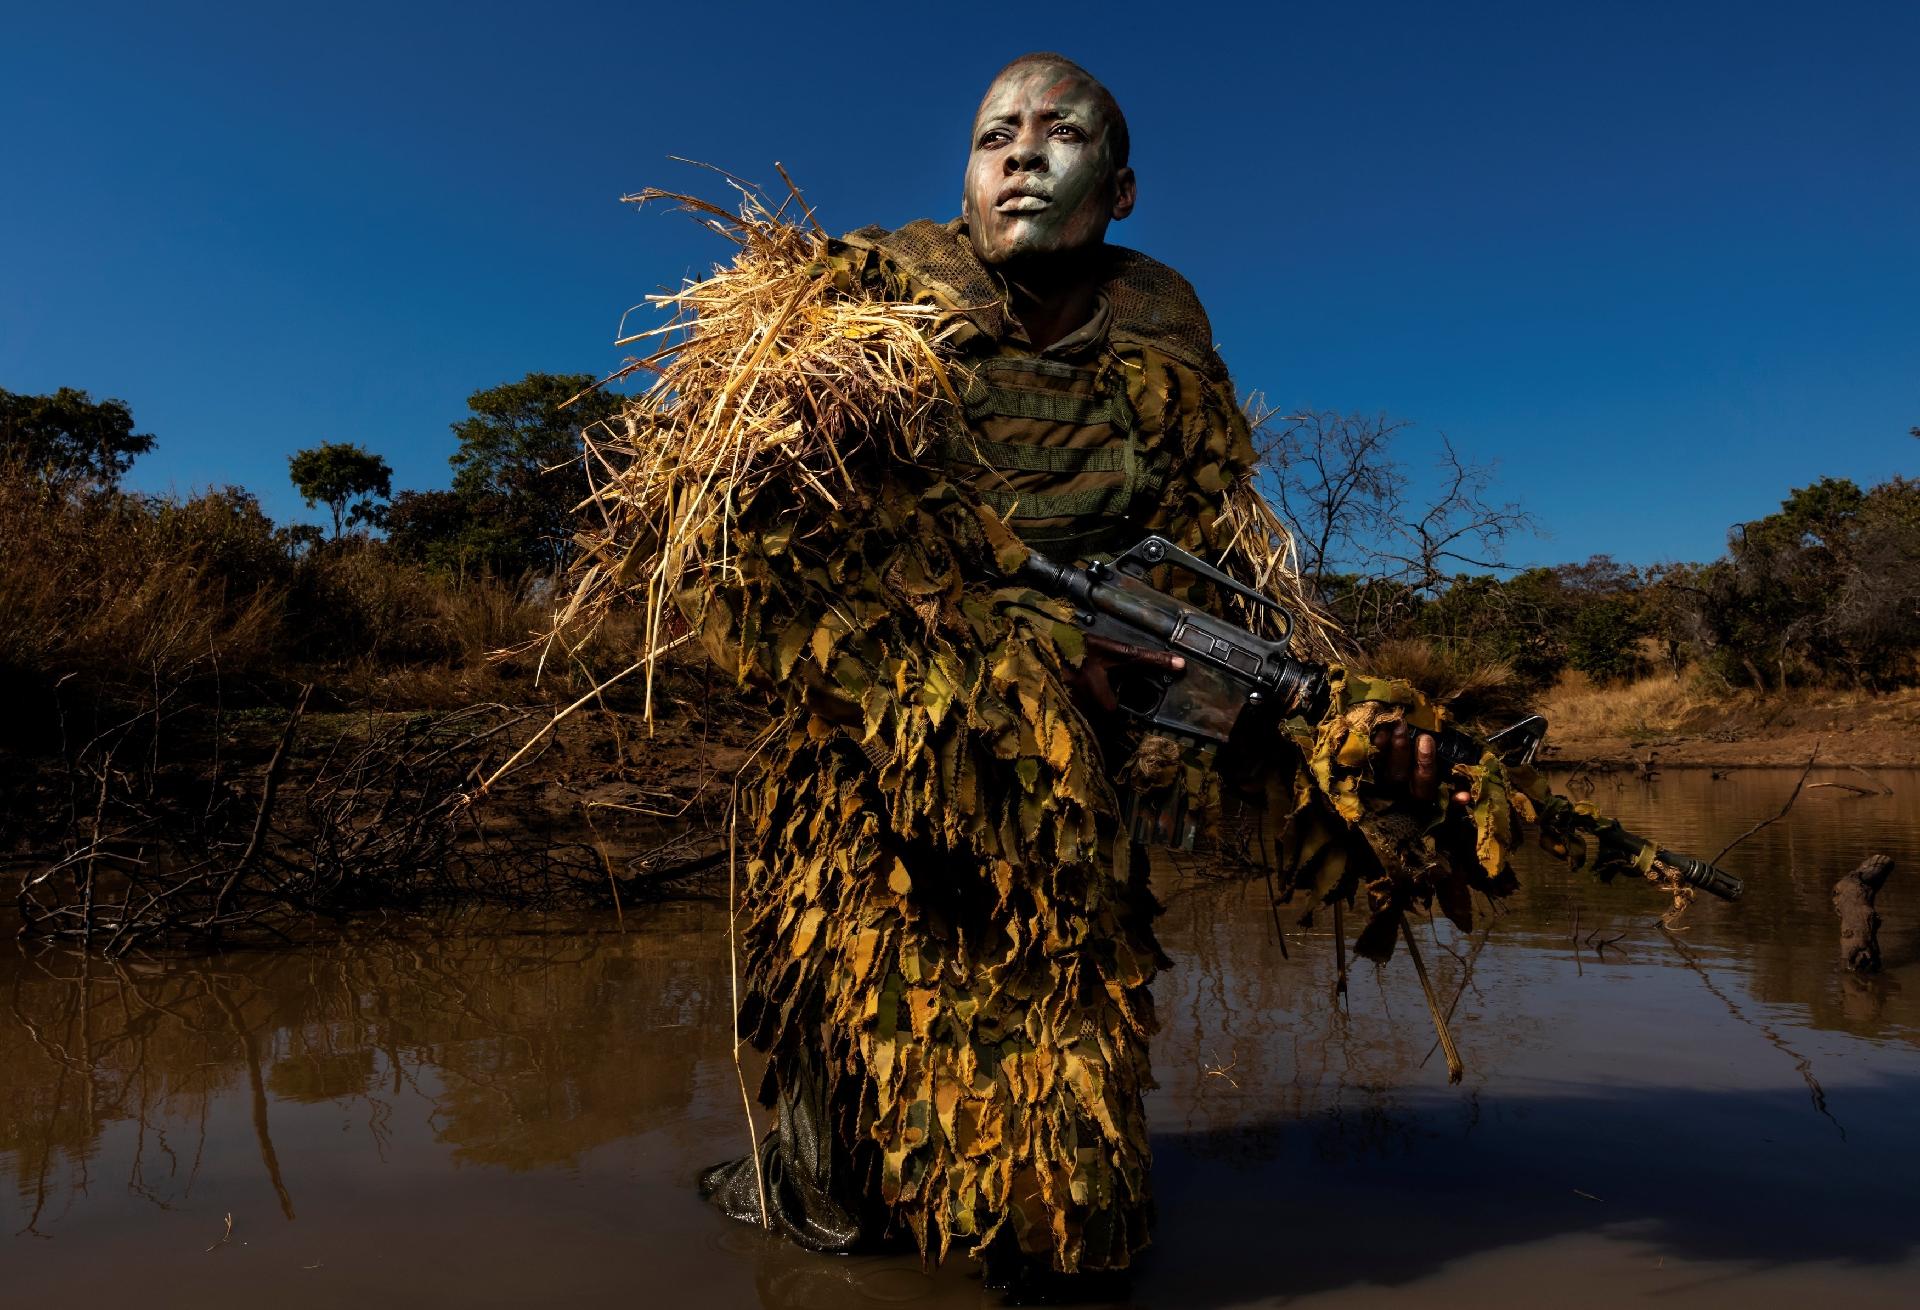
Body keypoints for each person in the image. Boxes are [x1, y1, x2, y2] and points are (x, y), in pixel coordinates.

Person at [690, 51, 1463, 1288]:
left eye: (1064, 133)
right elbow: (763, 551)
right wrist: (976, 664)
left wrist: (1339, 731)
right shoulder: (869, 297)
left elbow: (1213, 582)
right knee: (841, 1073)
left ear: (1124, 185)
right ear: (966, 172)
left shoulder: (1161, 328)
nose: (1023, 152)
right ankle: (829, 1193)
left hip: (1074, 771)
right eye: (997, 132)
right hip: (872, 747)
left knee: (1061, 1094)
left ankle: (1049, 1237)